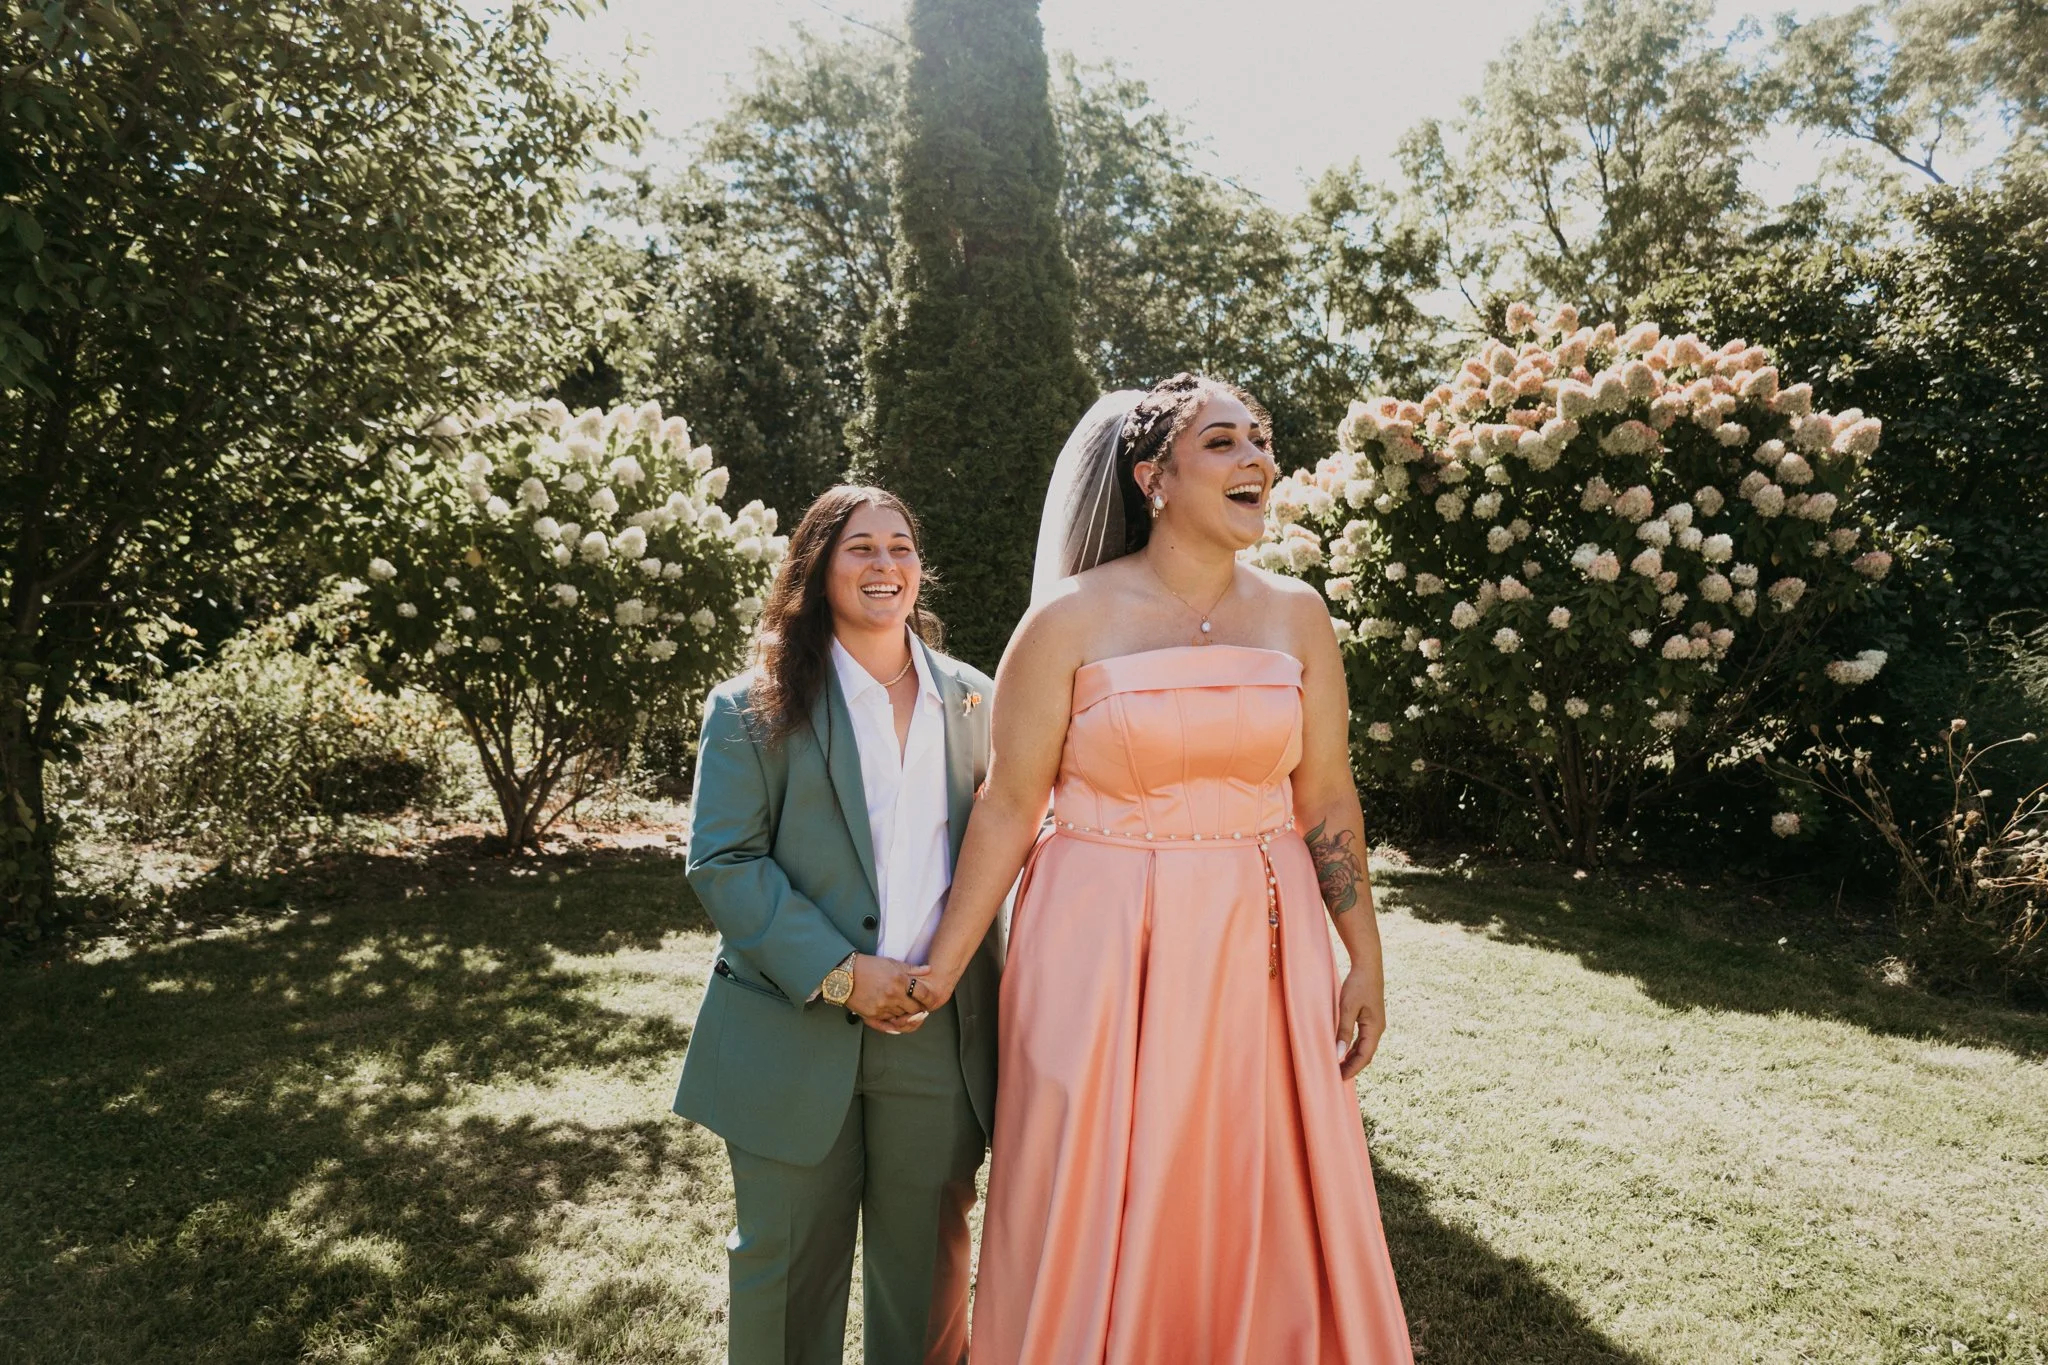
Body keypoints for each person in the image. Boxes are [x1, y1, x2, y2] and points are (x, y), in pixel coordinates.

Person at [912, 376, 1414, 1363]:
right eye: (1222, 442)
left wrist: (1364, 956)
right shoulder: (1067, 621)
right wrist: (941, 967)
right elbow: (1009, 805)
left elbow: (1325, 796)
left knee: (1252, 1170)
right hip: (1098, 941)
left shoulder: (1297, 615)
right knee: (1097, 1173)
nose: (1256, 459)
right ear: (1153, 479)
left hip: (1258, 944)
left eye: (1260, 439)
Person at [672, 485, 1001, 1365]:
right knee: (784, 1276)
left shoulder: (976, 699)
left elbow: (1003, 847)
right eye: (860, 547)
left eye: (901, 546)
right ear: (818, 569)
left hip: (936, 1027)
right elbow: (724, 860)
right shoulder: (750, 705)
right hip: (791, 1027)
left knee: (927, 1280)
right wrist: (844, 972)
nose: (885, 564)